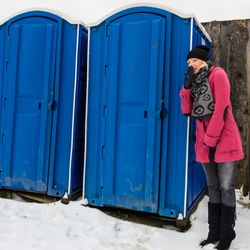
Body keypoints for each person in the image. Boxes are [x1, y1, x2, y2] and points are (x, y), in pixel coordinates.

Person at [179, 45, 244, 250]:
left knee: (225, 188)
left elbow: (222, 108)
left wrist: (211, 139)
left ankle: (227, 234)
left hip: (222, 140)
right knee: (213, 188)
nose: (192, 66)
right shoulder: (195, 83)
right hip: (205, 144)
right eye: (189, 63)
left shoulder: (218, 75)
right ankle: (213, 232)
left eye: (194, 62)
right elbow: (186, 110)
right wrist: (187, 88)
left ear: (204, 61)